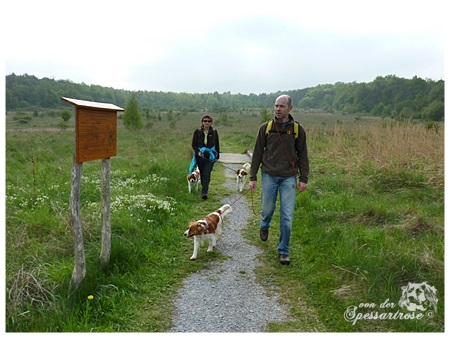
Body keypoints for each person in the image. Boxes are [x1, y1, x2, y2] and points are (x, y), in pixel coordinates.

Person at [249, 95, 309, 265]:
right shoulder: (265, 128)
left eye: (282, 106)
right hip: (268, 175)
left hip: (288, 177)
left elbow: (303, 155)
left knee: (287, 217)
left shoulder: (298, 130)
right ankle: (264, 225)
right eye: (276, 106)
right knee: (267, 210)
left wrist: (303, 178)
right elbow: (257, 153)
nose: (278, 109)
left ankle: (283, 251)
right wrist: (253, 177)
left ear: (290, 108)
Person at [191, 114, 220, 200]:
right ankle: (204, 188)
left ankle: (204, 192)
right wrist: (198, 152)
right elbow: (194, 144)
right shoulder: (197, 132)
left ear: (211, 123)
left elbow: (217, 144)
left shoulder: (214, 132)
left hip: (210, 156)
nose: (207, 123)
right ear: (202, 122)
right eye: (205, 121)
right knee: (202, 173)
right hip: (200, 156)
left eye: (209, 121)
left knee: (207, 173)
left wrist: (217, 156)